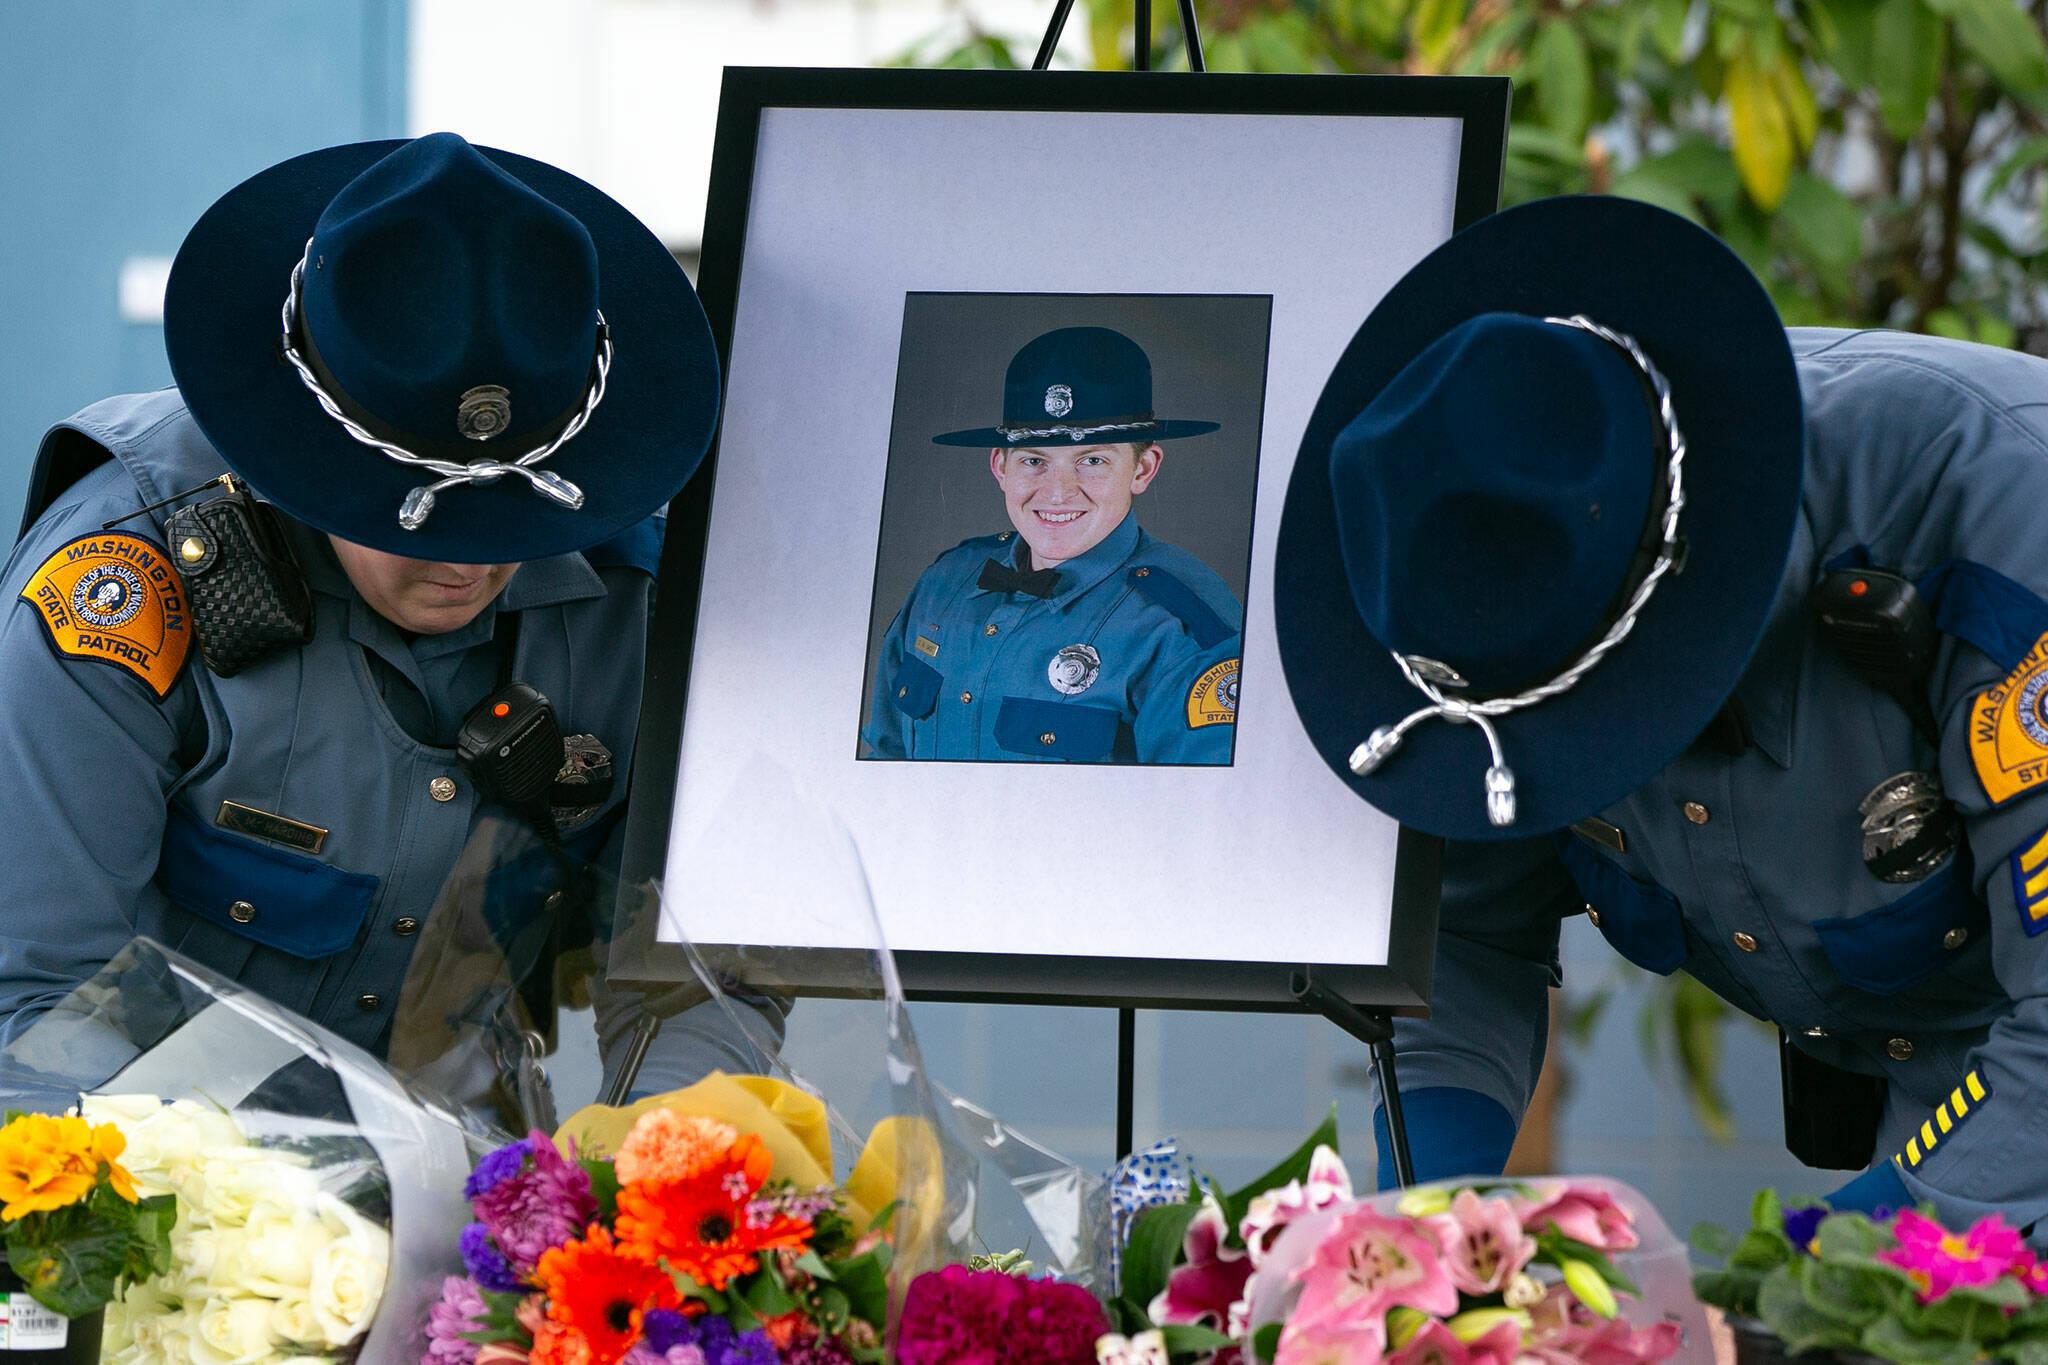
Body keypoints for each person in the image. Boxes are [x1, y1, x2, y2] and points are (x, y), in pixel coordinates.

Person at [1274, 193, 2048, 1236]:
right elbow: (1467, 938)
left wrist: (1801, 1280)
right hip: (1948, 1117)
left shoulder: (1997, 515)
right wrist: (1426, 1234)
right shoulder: (1467, 563)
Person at [0, 132, 775, 1113]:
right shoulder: (125, 578)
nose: (469, 563)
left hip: (476, 1200)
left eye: (511, 520)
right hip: (163, 1183)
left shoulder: (643, 598)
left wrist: (678, 1171)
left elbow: (693, 979)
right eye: (418, 512)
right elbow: (32, 1005)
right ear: (312, 446)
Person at [863, 325, 1243, 764]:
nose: (1058, 492)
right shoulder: (945, 582)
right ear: (1000, 467)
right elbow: (883, 764)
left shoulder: (1183, 629)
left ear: (1143, 469)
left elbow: (1192, 818)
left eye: (1093, 460)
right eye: (1033, 461)